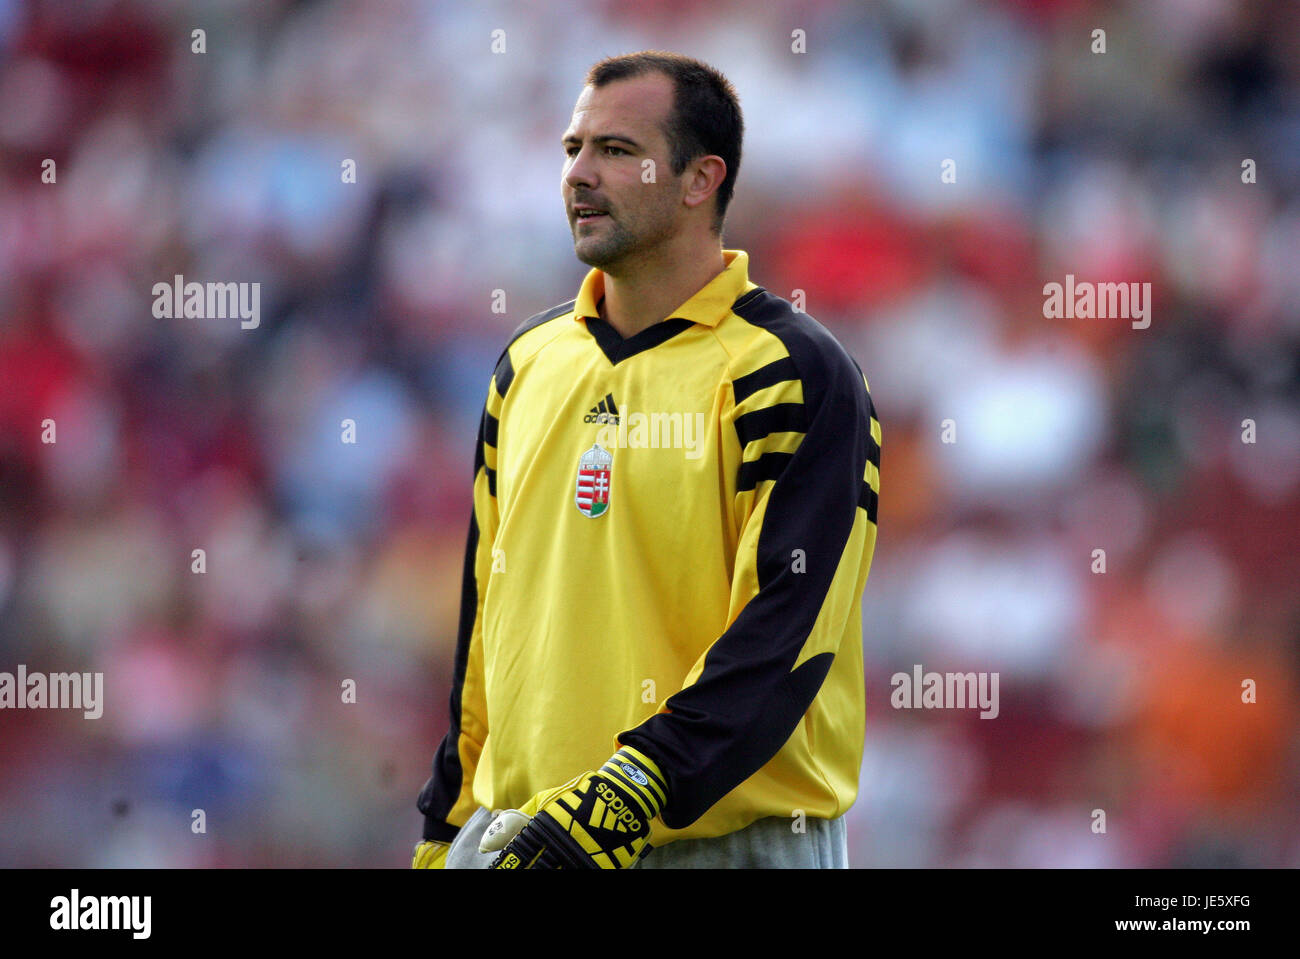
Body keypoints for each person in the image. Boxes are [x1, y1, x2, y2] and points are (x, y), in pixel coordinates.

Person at [412, 50, 881, 870]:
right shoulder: (527, 363)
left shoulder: (791, 372)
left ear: (701, 179)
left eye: (617, 152)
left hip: (720, 844)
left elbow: (787, 638)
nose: (579, 176)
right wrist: (445, 830)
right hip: (523, 838)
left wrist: (623, 799)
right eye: (572, 150)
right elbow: (484, 626)